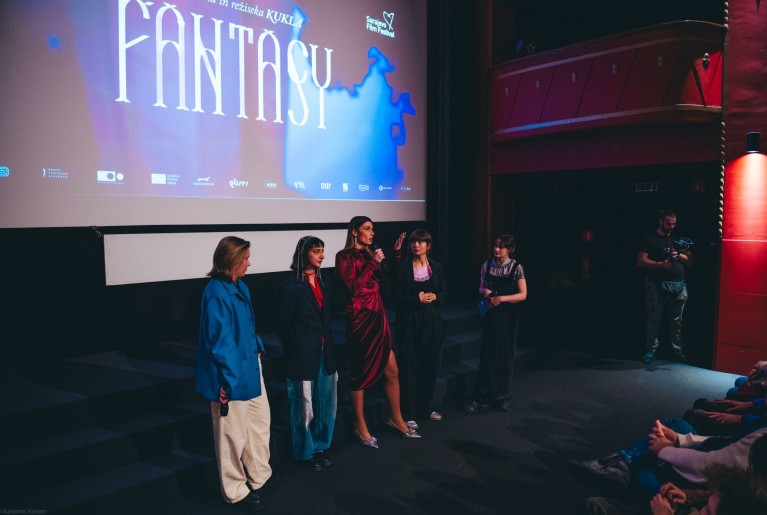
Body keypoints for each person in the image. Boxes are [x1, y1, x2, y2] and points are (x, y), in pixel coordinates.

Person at [195, 236, 277, 512]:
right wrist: (228, 381)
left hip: (250, 367)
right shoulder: (216, 293)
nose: (249, 263)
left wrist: (257, 346)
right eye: (245, 259)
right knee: (231, 435)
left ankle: (259, 476)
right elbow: (220, 342)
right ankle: (234, 491)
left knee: (259, 424)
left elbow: (247, 326)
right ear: (232, 261)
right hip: (232, 375)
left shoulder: (239, 286)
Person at [335, 216, 420, 447]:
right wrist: (373, 262)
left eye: (373, 229)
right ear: (354, 232)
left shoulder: (370, 254)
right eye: (367, 229)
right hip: (360, 318)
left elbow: (388, 281)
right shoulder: (344, 256)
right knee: (360, 373)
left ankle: (396, 419)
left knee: (392, 370)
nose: (372, 233)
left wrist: (396, 255)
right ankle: (360, 425)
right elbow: (354, 287)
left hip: (378, 315)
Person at [568, 417, 767, 500]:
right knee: (676, 425)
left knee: (643, 477)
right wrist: (682, 439)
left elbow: (716, 466)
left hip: (713, 481)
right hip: (713, 453)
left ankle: (614, 477)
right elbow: (729, 441)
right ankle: (620, 463)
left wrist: (666, 450)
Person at [277, 236, 338, 472]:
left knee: (326, 402)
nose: (322, 255)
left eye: (322, 250)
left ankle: (320, 446)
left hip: (325, 351)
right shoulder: (290, 286)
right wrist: (296, 346)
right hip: (302, 354)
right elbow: (282, 325)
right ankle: (305, 452)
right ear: (304, 254)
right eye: (316, 251)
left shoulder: (326, 282)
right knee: (304, 405)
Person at [464, 234, 527, 413]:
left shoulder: (516, 267)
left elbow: (523, 294)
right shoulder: (487, 264)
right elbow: (480, 287)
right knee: (487, 354)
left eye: (501, 246)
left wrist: (502, 298)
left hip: (507, 317)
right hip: (491, 315)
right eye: (495, 246)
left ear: (510, 249)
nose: (497, 249)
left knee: (504, 355)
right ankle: (481, 395)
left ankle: (502, 396)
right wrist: (485, 291)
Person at [392, 229, 448, 430]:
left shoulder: (436, 267)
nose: (416, 245)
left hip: (431, 323)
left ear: (428, 246)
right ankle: (408, 413)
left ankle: (425, 408)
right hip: (409, 324)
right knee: (409, 369)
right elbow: (395, 297)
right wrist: (415, 299)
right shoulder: (404, 269)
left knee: (429, 367)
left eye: (421, 242)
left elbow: (444, 291)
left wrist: (436, 297)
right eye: (413, 242)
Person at [649, 433, 767, 515]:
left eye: (709, 512)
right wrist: (688, 496)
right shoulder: (746, 493)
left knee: (647, 478)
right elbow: (717, 496)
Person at [637, 210, 693, 364]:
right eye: (668, 223)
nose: (671, 227)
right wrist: (660, 264)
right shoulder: (650, 239)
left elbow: (689, 261)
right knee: (654, 318)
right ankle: (650, 350)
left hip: (679, 284)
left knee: (676, 321)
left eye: (674, 224)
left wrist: (678, 254)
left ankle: (677, 350)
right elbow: (641, 261)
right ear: (661, 221)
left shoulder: (678, 239)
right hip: (656, 284)